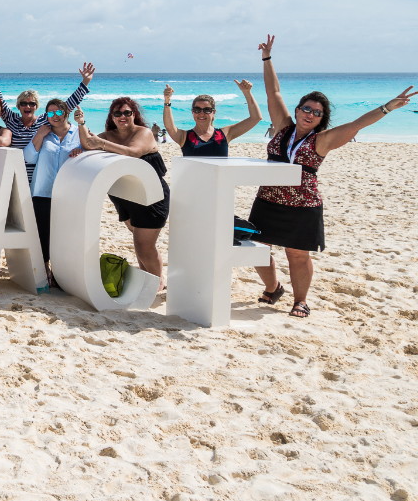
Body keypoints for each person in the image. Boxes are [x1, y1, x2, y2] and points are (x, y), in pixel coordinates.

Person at [248, 35, 414, 319]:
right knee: (256, 250)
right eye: (307, 108)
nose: (310, 114)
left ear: (321, 119)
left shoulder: (321, 141)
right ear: (298, 110)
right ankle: (274, 288)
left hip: (303, 205)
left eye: (317, 112)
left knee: (297, 254)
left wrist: (387, 107)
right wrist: (267, 58)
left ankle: (300, 300)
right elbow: (273, 92)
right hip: (267, 200)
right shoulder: (282, 128)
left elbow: (357, 123)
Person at [75, 98, 168, 289]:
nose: (122, 117)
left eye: (127, 113)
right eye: (117, 114)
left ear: (134, 114)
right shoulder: (110, 135)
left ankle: (157, 284)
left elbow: (133, 152)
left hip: (151, 196)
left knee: (144, 246)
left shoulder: (144, 132)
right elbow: (88, 143)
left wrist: (101, 143)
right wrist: (82, 123)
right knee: (139, 243)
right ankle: (148, 281)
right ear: (112, 117)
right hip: (126, 196)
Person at [0, 55, 93, 184]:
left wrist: (85, 82)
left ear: (37, 107)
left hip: (38, 178)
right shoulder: (11, 120)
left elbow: (67, 105)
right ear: (18, 106)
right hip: (15, 176)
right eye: (24, 103)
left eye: (32, 104)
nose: (28, 106)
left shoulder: (44, 121)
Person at [24, 99, 80, 288]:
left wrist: (82, 150)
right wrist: (39, 134)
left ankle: (62, 273)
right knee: (43, 233)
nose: (54, 117)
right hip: (42, 190)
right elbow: (28, 157)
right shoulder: (44, 134)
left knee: (64, 233)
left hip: (68, 193)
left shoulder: (79, 133)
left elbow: (93, 149)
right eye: (50, 113)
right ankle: (45, 270)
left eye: (57, 112)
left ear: (66, 112)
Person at [163, 80, 262, 156]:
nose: (202, 113)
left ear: (213, 112)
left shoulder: (225, 133)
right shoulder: (184, 137)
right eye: (197, 110)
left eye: (207, 110)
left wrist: (247, 93)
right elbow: (169, 127)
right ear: (192, 112)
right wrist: (167, 101)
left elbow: (256, 118)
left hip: (220, 182)